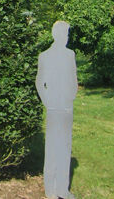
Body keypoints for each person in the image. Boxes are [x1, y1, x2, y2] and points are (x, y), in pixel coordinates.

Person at [36, 20, 78, 199]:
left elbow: (73, 79)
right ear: (56, 35)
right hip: (53, 107)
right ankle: (50, 190)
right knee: (52, 147)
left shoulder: (70, 55)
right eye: (65, 34)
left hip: (66, 107)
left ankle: (62, 189)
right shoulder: (45, 56)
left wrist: (71, 96)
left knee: (64, 147)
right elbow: (39, 82)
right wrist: (47, 101)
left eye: (67, 34)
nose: (67, 38)